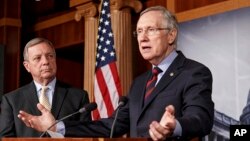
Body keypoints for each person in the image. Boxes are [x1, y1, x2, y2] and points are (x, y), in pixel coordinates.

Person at [18, 6, 214, 140]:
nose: (142, 37)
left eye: (151, 30)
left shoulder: (194, 72)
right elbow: (111, 125)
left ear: (171, 35)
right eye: (139, 31)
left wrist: (174, 126)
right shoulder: (139, 83)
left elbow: (201, 119)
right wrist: (58, 127)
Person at [0, 37, 91, 137]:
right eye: (37, 58)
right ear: (27, 66)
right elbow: (5, 138)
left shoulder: (78, 96)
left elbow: (86, 135)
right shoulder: (11, 100)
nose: (45, 62)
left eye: (50, 56)